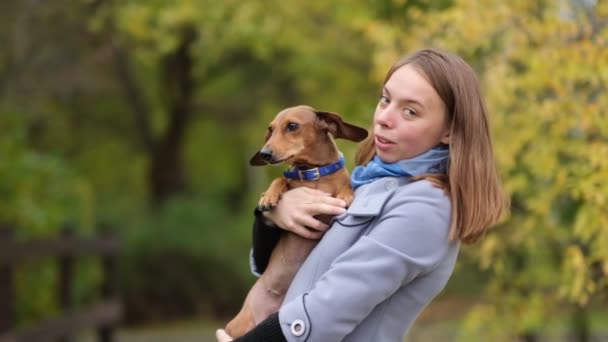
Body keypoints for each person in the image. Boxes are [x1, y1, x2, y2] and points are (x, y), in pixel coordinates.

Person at [216, 48, 507, 342]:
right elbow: (273, 266)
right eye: (385, 99)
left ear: (449, 131)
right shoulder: (370, 182)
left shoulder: (427, 207)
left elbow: (324, 313)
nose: (384, 118)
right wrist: (273, 215)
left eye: (410, 111)